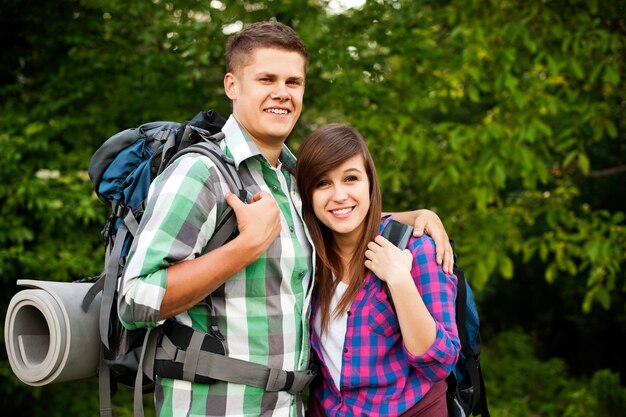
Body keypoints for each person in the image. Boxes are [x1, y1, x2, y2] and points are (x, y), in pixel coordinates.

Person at [118, 21, 452, 417]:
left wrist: (416, 216)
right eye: (266, 79)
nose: (282, 93)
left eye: (293, 81)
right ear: (232, 86)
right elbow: (134, 299)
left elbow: (340, 214)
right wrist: (245, 248)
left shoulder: (291, 180)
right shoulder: (200, 173)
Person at [295, 124, 460, 417]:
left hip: (408, 409)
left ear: (370, 182)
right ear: (307, 194)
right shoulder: (307, 256)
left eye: (351, 178)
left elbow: (439, 363)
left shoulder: (416, 251)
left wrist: (399, 280)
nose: (339, 195)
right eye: (323, 183)